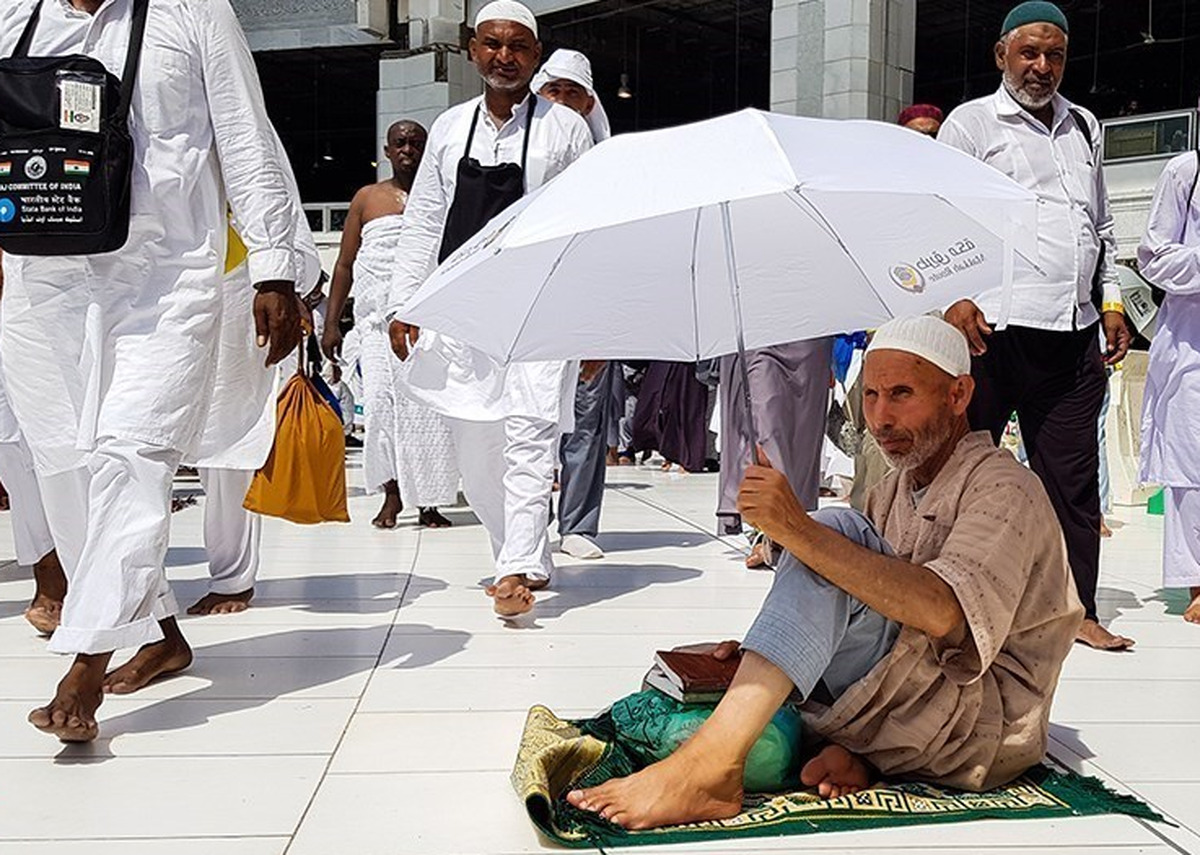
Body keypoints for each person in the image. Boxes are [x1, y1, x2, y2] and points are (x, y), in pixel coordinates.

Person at [567, 315, 1083, 829]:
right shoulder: (892, 491)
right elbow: (861, 606)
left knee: (832, 529)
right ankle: (864, 751)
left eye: (902, 394)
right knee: (792, 596)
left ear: (959, 394)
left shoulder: (1004, 488)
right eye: (872, 395)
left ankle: (710, 769)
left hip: (978, 724)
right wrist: (762, 650)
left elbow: (944, 613)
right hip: (910, 699)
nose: (880, 417)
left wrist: (798, 530)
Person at [0, 0, 303, 742]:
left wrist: (275, 267)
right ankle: (159, 630)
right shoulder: (14, 16)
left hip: (168, 282)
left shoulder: (194, 12)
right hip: (42, 279)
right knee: (65, 464)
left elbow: (245, 136)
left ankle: (85, 659)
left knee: (133, 455)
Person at [937, 0, 1134, 650]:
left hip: (1073, 337)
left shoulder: (1084, 127)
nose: (1042, 66)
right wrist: (954, 298)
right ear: (1002, 55)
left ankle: (1077, 610)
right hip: (990, 334)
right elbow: (939, 217)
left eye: (1054, 54)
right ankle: (937, 599)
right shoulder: (971, 125)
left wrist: (1112, 304)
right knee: (958, 471)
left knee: (1072, 485)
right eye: (1029, 53)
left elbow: (1101, 226)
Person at [386, 0, 593, 616]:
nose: (505, 57)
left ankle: (513, 572)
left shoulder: (566, 128)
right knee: (477, 452)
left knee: (530, 434)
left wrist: (592, 325)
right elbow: (424, 220)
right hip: (463, 303)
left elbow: (585, 229)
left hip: (540, 301)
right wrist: (405, 304)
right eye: (493, 45)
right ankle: (524, 552)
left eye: (519, 47)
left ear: (535, 54)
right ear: (474, 50)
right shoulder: (449, 128)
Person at [322, 120, 458, 530]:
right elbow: (345, 263)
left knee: (427, 412)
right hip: (375, 323)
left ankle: (429, 501)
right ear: (387, 149)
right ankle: (392, 493)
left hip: (428, 323)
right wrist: (332, 324)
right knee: (381, 406)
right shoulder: (367, 198)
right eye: (400, 142)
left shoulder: (443, 196)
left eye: (416, 143)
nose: (408, 149)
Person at [533, 48, 611, 559]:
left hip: (589, 306)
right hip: (529, 305)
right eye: (551, 91)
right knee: (527, 419)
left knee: (585, 418)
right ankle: (526, 523)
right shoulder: (519, 158)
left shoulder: (608, 167)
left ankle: (578, 526)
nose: (560, 102)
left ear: (588, 104)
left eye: (571, 93)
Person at [1137, 140, 1200, 624]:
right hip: (1192, 343)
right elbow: (1153, 256)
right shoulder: (1186, 171)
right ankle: (1199, 582)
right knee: (1193, 464)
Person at [716, 340, 832, 568]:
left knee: (799, 436)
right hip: (754, 328)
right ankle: (770, 529)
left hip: (807, 331)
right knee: (764, 426)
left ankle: (784, 528)